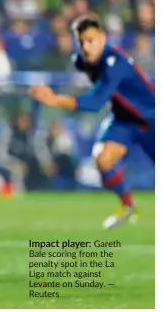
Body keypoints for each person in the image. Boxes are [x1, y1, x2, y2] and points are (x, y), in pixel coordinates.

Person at [29, 16, 154, 229]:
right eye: (82, 42)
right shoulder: (80, 60)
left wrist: (54, 99)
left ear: (103, 39)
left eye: (91, 40)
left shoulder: (116, 62)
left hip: (150, 120)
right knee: (103, 159)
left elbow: (95, 102)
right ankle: (128, 206)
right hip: (123, 119)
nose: (86, 47)